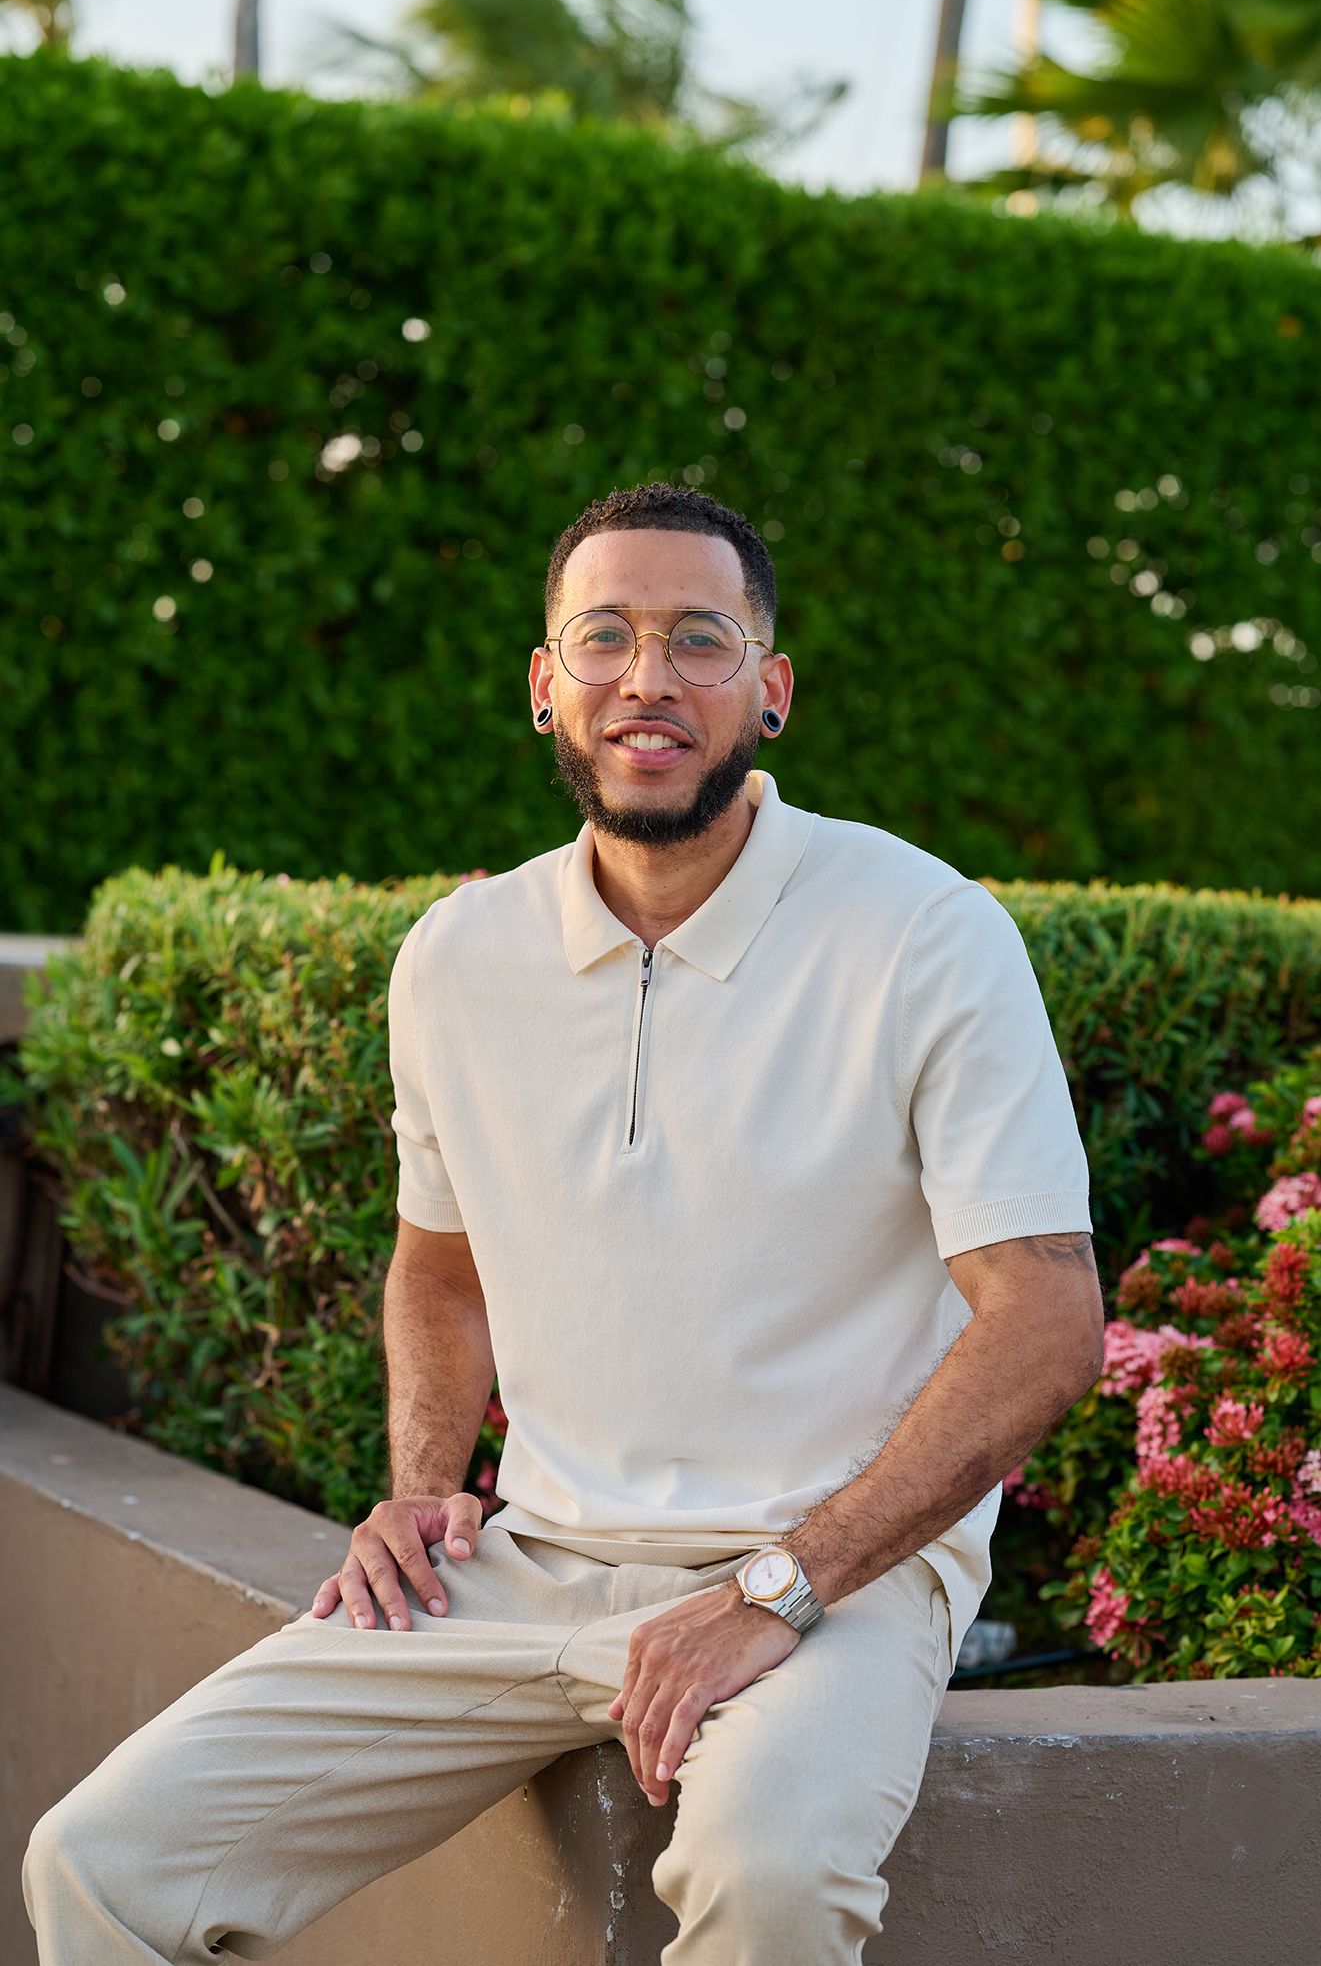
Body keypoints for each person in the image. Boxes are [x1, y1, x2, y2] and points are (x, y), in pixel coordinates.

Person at [24, 481, 1104, 1964]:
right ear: (545, 684)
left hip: (827, 1582)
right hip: (522, 1566)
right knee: (101, 1861)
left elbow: (1045, 1319)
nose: (646, 678)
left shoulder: (925, 932)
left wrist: (779, 1586)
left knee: (770, 1876)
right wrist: (420, 1489)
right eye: (603, 637)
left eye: (699, 639)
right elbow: (440, 1267)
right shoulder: (457, 956)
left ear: (771, 691)